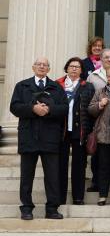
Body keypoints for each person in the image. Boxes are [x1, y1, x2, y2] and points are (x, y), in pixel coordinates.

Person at [10, 57, 68, 220]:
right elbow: (14, 107)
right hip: (28, 136)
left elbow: (64, 109)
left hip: (50, 137)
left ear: (49, 69)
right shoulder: (22, 86)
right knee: (26, 175)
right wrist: (32, 108)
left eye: (45, 65)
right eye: (39, 64)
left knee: (52, 175)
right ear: (33, 67)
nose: (42, 67)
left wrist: (48, 110)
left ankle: (52, 209)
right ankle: (26, 208)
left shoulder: (56, 87)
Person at [57, 57, 95, 205]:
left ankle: (78, 197)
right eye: (71, 66)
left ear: (81, 70)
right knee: (61, 165)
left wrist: (89, 130)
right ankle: (59, 197)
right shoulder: (57, 85)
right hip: (62, 131)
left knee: (79, 166)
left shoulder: (88, 86)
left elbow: (91, 109)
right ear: (67, 68)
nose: (74, 69)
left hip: (80, 131)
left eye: (77, 67)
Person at [86, 48, 110, 192]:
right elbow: (90, 107)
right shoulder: (93, 77)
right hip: (102, 130)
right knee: (101, 163)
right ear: (101, 59)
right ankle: (100, 188)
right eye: (106, 57)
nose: (109, 59)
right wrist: (99, 104)